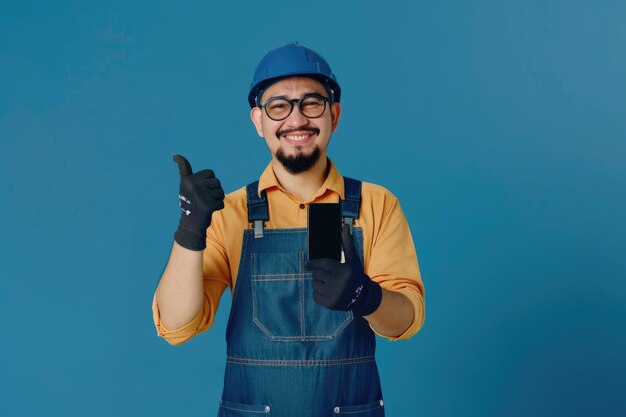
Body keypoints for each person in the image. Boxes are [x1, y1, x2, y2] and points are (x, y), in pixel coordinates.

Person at [152, 42, 425, 417]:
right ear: (258, 121)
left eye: (311, 103)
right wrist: (189, 231)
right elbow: (176, 326)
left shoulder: (377, 205)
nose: (296, 120)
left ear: (335, 115)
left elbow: (407, 320)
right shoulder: (229, 213)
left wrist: (366, 297)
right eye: (279, 106)